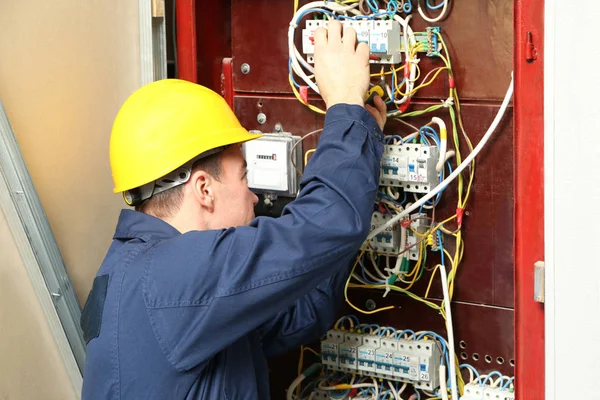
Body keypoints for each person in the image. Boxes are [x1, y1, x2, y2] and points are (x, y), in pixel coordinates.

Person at [81, 20, 387, 399]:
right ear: (204, 189)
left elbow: (300, 314)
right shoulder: (173, 279)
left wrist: (363, 140)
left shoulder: (145, 278)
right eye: (244, 175)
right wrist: (343, 101)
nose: (256, 197)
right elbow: (328, 222)